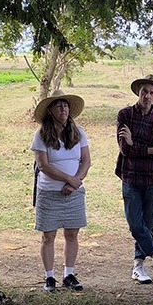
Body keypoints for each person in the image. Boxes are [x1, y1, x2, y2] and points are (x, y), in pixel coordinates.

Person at [30, 90, 90, 292]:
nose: (63, 108)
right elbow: (44, 165)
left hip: (74, 192)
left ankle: (69, 274)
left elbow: (86, 161)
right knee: (48, 236)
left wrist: (75, 183)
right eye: (58, 105)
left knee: (72, 234)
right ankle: (49, 277)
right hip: (49, 192)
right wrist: (68, 179)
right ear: (50, 110)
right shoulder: (40, 135)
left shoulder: (79, 132)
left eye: (65, 105)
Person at [116, 74, 153, 284]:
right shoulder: (125, 115)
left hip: (152, 177)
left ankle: (138, 266)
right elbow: (124, 149)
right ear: (138, 92)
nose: (147, 96)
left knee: (148, 224)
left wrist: (136, 145)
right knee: (135, 225)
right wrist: (149, 149)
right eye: (144, 91)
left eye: (152, 93)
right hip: (130, 176)